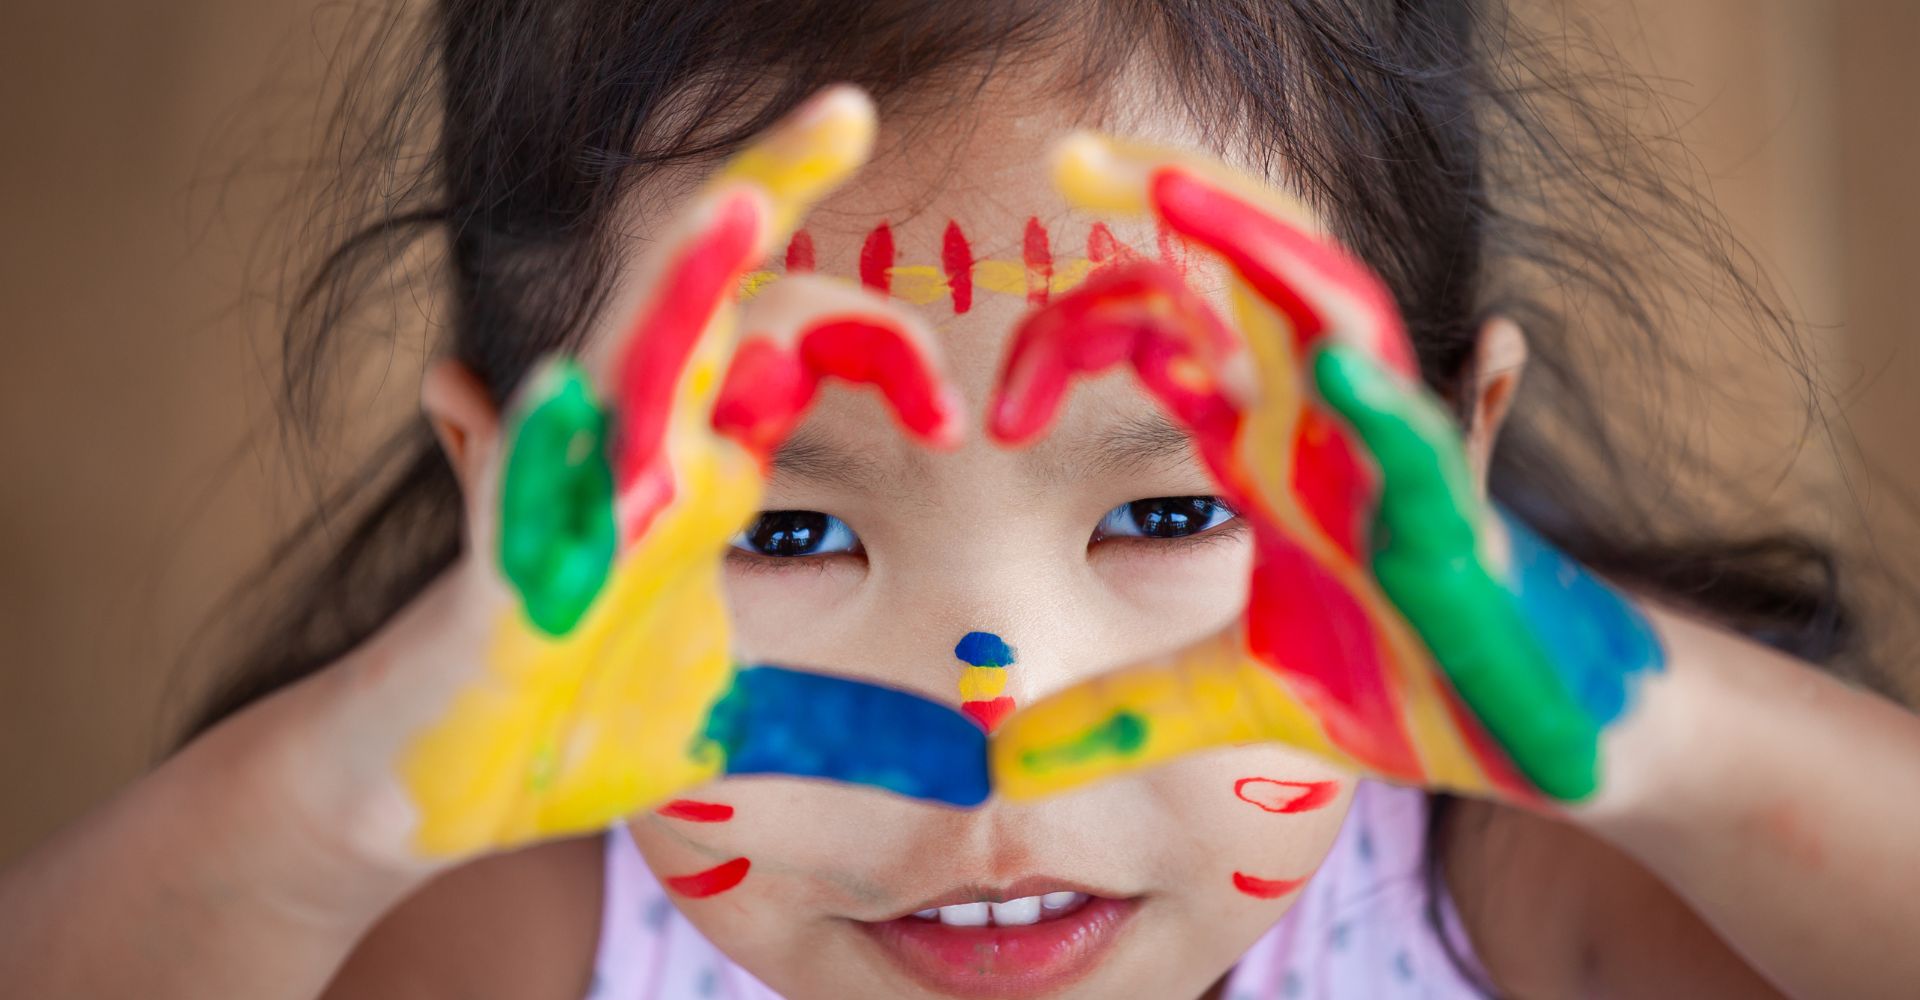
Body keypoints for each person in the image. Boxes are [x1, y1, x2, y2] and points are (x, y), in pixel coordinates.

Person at [3, 3, 1916, 998]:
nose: (986, 714)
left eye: (1171, 514)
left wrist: (1644, 730)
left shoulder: (1514, 868)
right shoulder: (532, 916)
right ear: (506, 493)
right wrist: (353, 785)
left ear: (1458, 457)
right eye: (782, 527)